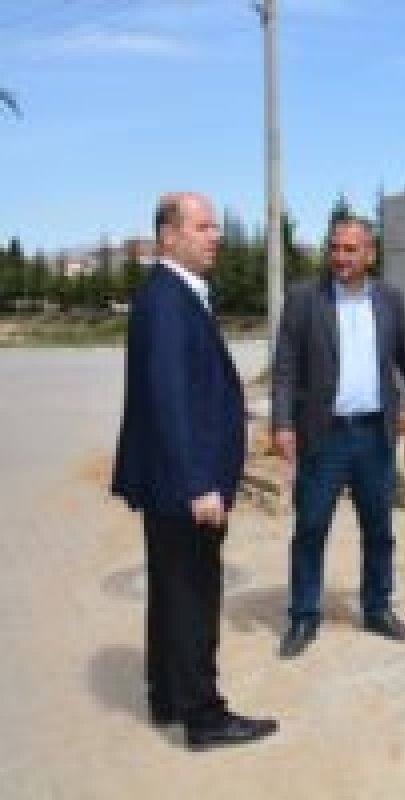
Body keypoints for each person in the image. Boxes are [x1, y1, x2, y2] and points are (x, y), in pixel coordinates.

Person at [111, 192, 278, 750]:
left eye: (215, 227)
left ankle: (167, 694)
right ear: (169, 236)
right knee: (193, 596)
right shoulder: (166, 300)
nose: (216, 236)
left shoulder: (173, 292)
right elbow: (169, 401)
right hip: (186, 484)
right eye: (203, 227)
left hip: (175, 481)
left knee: (170, 590)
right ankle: (204, 717)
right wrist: (198, 483)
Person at [271, 214, 405, 659]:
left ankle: (377, 608)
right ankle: (304, 616)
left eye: (350, 249)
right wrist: (282, 423)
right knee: (311, 527)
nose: (340, 257)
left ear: (370, 254)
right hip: (324, 436)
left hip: (374, 435)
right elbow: (285, 367)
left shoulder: (389, 300)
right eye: (334, 248)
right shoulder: (304, 299)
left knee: (379, 528)